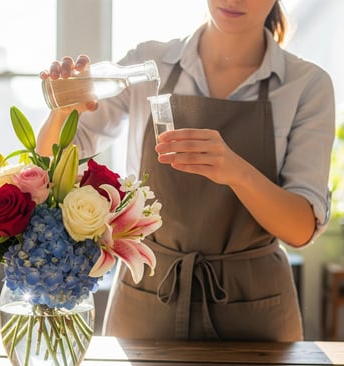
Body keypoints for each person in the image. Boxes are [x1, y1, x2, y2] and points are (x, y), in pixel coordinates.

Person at [37, 0, 335, 341]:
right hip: (147, 292)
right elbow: (54, 158)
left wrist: (236, 170)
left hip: (255, 307)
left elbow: (300, 229)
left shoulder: (306, 85)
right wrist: (62, 113)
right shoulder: (146, 64)